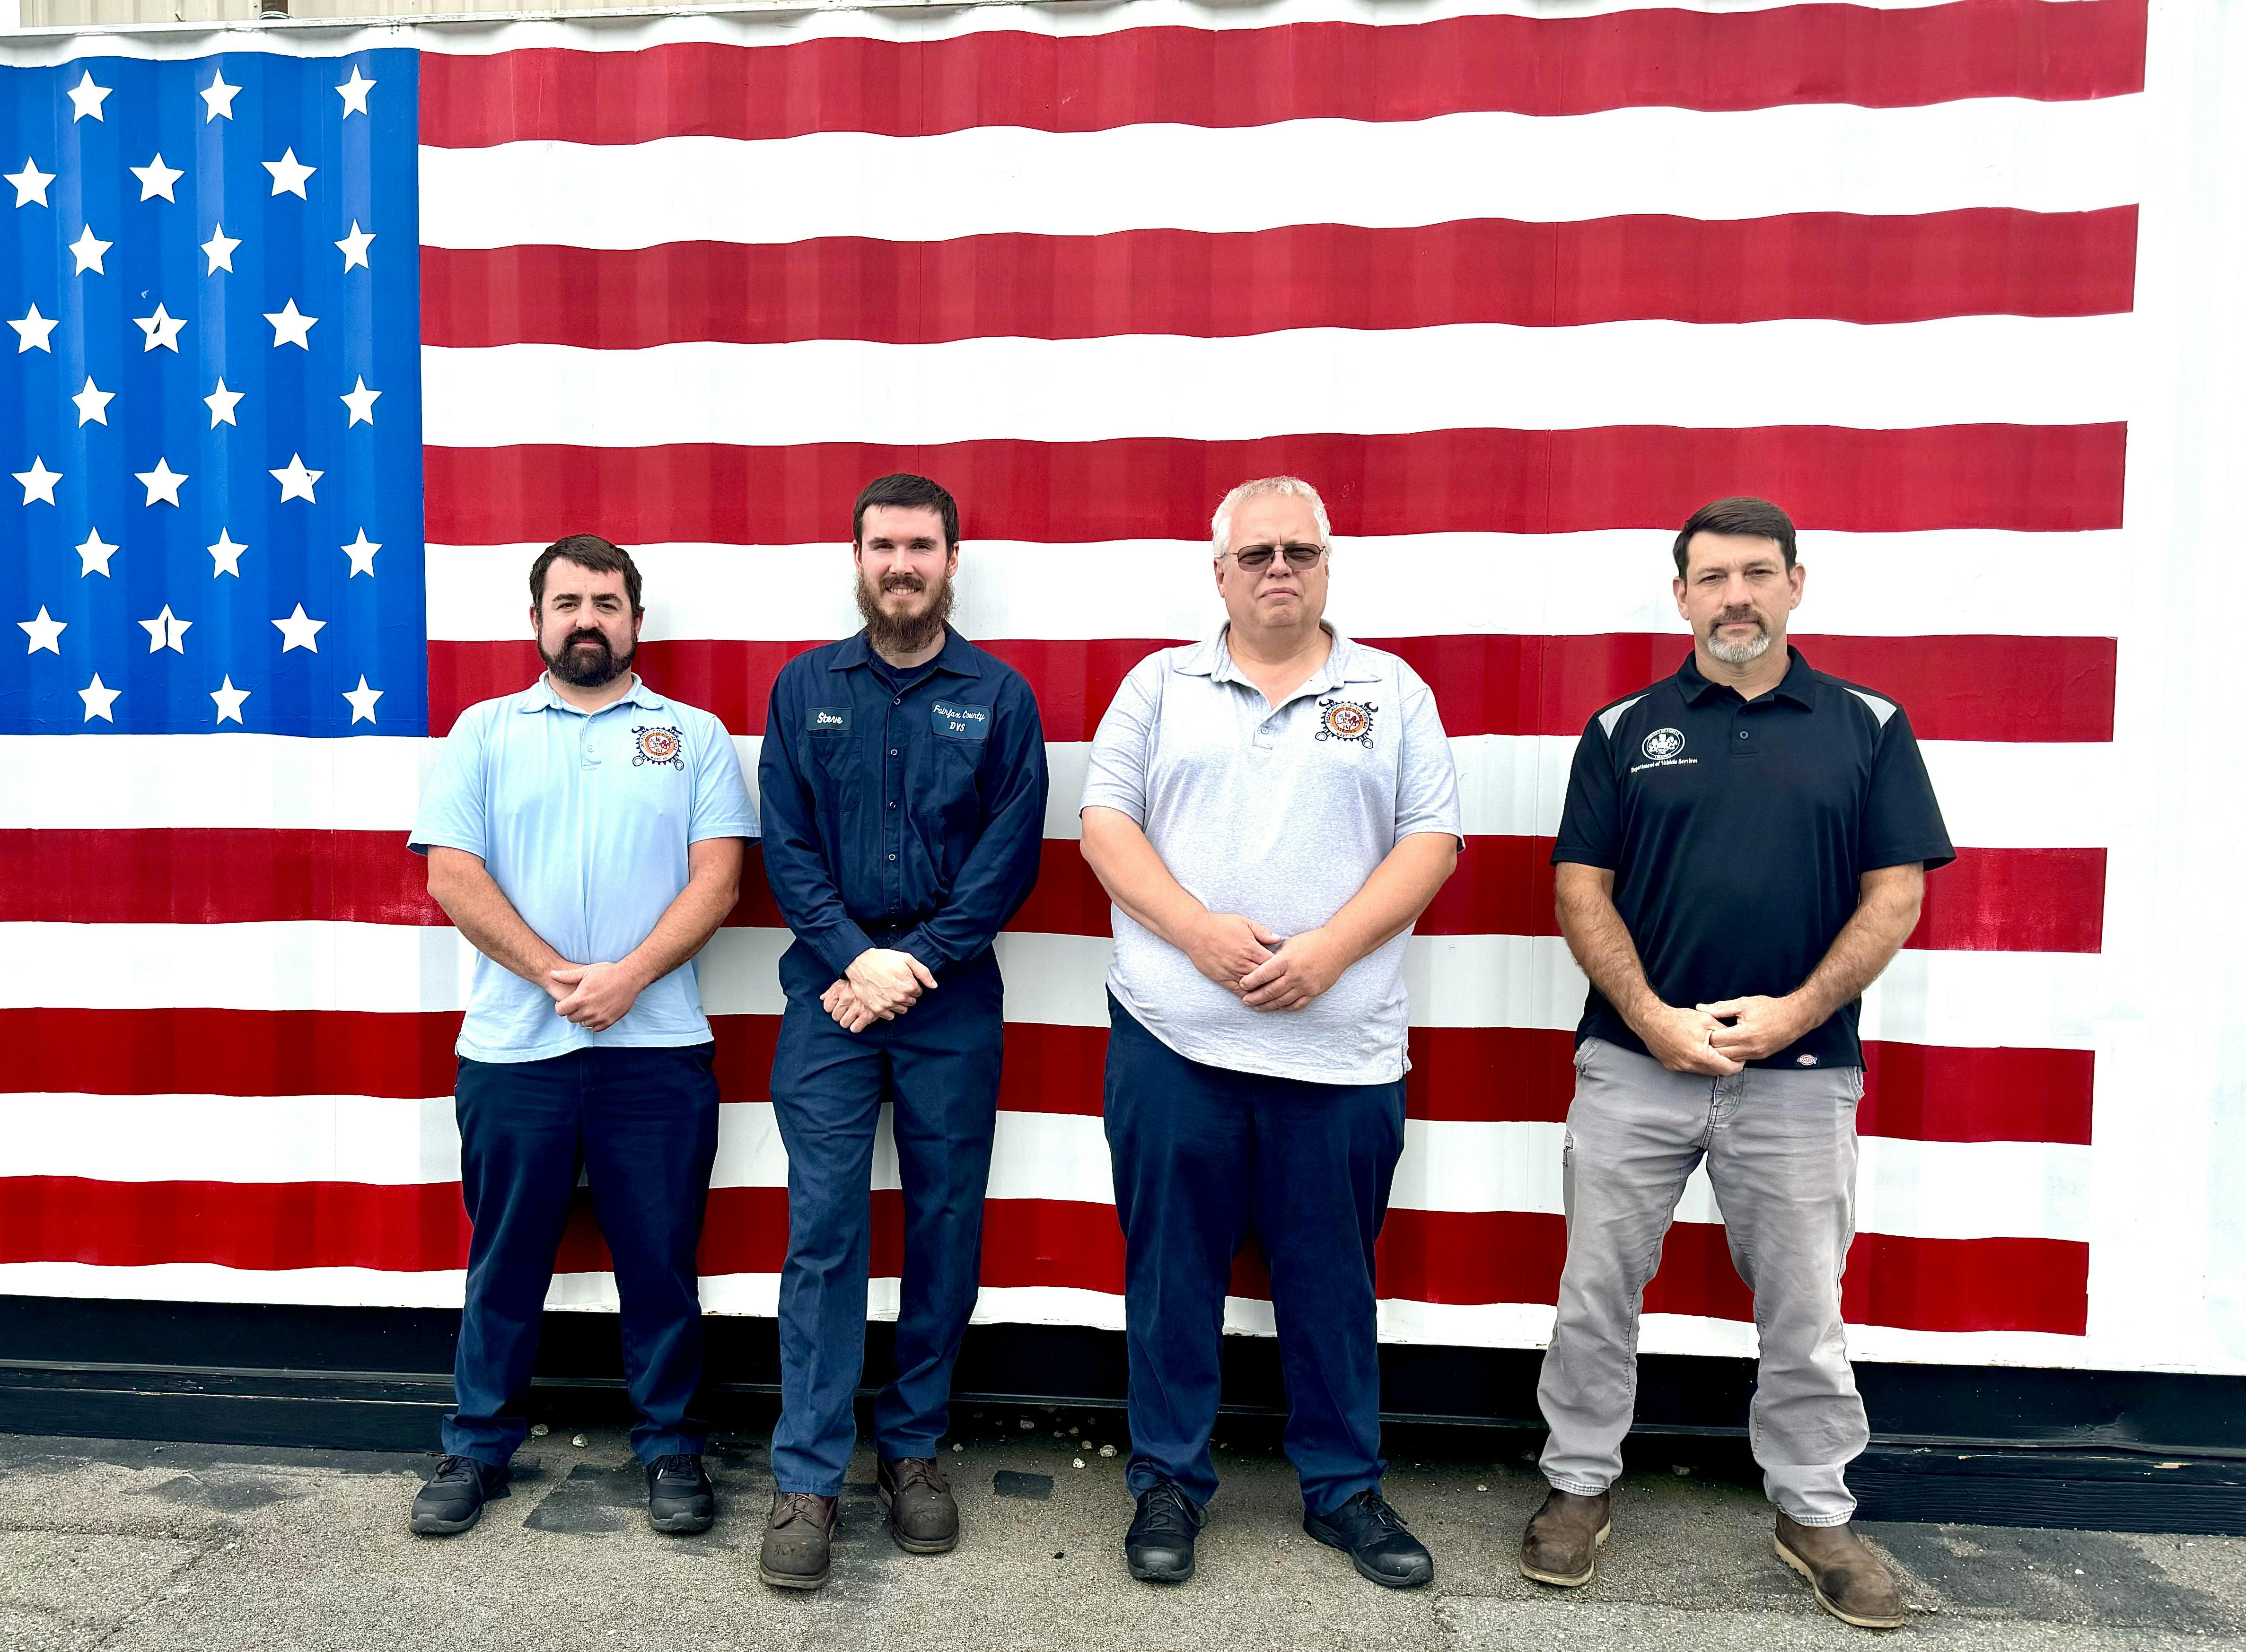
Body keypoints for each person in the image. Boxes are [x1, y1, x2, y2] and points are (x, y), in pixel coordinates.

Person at [1519, 497, 1952, 1632]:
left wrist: (1796, 1011)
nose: (1735, 598)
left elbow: (1894, 892)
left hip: (1802, 1074)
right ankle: (1575, 1486)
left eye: (1756, 574)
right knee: (1596, 1292)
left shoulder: (1865, 724)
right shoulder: (1625, 728)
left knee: (1804, 1307)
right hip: (1633, 1063)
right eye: (1710, 578)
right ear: (1679, 597)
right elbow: (1580, 890)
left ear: (1795, 585)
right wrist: (1653, 1016)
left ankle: (1812, 1510)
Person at [1078, 476, 1462, 1589]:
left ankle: (1342, 1488)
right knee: (1170, 1275)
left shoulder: (1389, 691)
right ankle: (1165, 1479)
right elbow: (1106, 827)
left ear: (1328, 566)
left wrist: (1331, 948)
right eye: (1255, 554)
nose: (1277, 568)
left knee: (1332, 1279)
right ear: (1220, 573)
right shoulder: (1157, 687)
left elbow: (1430, 840)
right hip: (1171, 1039)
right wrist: (1197, 932)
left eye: (1298, 550)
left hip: (1336, 1052)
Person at [404, 534, 759, 1541]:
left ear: (636, 622)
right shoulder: (482, 731)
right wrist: (558, 975)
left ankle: (672, 1445)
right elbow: (451, 875)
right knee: (505, 1259)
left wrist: (629, 978)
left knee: (659, 1262)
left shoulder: (691, 735)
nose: (585, 619)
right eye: (565, 603)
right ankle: (476, 1445)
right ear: (536, 621)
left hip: (655, 1051)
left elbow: (718, 880)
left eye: (605, 602)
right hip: (516, 1050)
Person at [753, 473, 1049, 1590]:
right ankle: (808, 1476)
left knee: (942, 1224)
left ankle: (912, 1451)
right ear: (857, 555)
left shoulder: (1000, 697)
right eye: (882, 545)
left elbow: (1007, 857)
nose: (900, 564)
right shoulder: (802, 688)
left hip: (950, 998)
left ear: (952, 559)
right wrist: (854, 960)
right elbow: (785, 844)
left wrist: (912, 964)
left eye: (920, 546)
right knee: (823, 1231)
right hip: (829, 997)